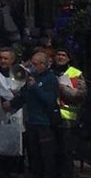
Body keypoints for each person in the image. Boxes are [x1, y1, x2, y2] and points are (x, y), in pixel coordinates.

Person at [3, 51, 59, 178]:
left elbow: (49, 101)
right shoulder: (31, 77)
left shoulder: (50, 79)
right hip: (31, 122)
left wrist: (35, 87)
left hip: (44, 124)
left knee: (46, 157)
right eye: (31, 64)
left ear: (43, 65)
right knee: (34, 157)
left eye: (35, 64)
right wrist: (11, 103)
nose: (32, 67)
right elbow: (24, 96)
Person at [52, 47, 86, 178]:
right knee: (52, 154)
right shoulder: (49, 71)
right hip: (49, 118)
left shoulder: (75, 73)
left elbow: (81, 95)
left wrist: (62, 88)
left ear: (68, 58)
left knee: (66, 153)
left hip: (67, 121)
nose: (60, 57)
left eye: (63, 55)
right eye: (58, 54)